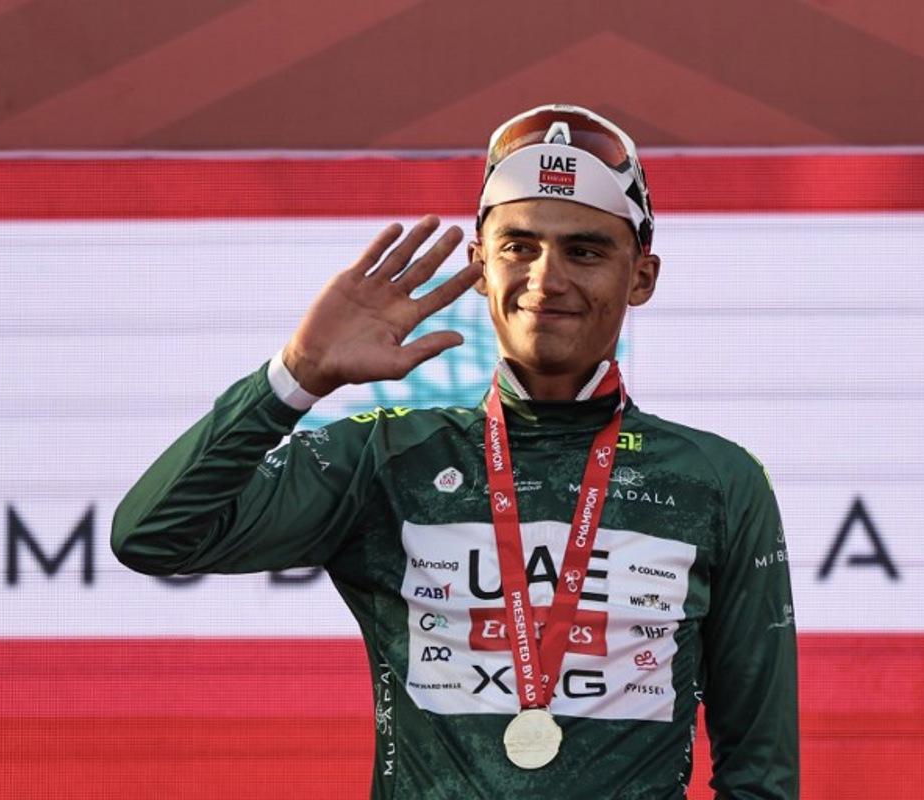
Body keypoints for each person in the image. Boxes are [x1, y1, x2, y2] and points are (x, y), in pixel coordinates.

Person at [113, 104, 798, 799]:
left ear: (642, 277)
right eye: (519, 247)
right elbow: (155, 535)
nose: (546, 279)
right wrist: (296, 375)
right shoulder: (385, 458)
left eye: (584, 250)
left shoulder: (716, 481)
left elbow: (759, 771)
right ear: (478, 265)